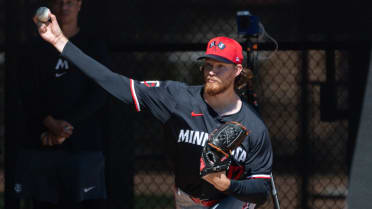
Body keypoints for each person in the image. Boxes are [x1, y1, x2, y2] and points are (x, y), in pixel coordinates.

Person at [33, 11, 273, 209]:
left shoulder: (252, 125)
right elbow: (112, 81)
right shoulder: (177, 99)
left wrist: (227, 185)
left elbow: (261, 190)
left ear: (237, 71)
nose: (211, 71)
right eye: (208, 64)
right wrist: (59, 42)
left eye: (221, 66)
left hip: (233, 198)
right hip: (190, 198)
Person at [13, 0, 110, 209]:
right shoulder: (34, 49)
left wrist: (65, 126)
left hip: (84, 147)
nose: (64, 7)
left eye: (70, 2)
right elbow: (28, 93)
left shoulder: (93, 45)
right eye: (59, 2)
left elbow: (100, 92)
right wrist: (50, 124)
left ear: (79, 5)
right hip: (44, 145)